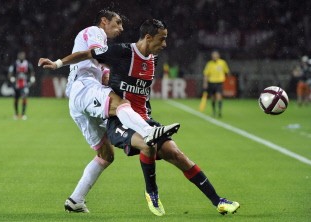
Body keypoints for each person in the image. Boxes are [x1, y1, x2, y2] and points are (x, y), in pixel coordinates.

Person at [39, 18, 240, 216]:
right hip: (118, 121)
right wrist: (57, 64)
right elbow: (86, 54)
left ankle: (218, 201)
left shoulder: (153, 59)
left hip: (141, 117)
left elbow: (139, 91)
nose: (165, 44)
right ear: (148, 37)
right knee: (147, 143)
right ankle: (152, 193)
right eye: (161, 39)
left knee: (177, 154)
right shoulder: (121, 51)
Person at [38, 10, 180, 214]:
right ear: (104, 21)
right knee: (120, 103)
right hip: (84, 87)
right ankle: (147, 131)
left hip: (79, 101)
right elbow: (92, 54)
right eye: (118, 22)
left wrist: (108, 76)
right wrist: (58, 63)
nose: (121, 28)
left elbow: (102, 69)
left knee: (105, 155)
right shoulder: (96, 31)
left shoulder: (100, 53)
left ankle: (75, 200)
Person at [8, 51, 36, 120]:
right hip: (16, 84)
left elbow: (32, 71)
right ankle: (16, 114)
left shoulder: (27, 63)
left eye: (22, 55)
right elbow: (10, 72)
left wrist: (32, 78)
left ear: (24, 56)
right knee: (16, 99)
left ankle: (23, 114)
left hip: (24, 85)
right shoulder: (15, 63)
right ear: (18, 56)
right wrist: (11, 78)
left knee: (24, 98)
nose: (21, 56)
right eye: (20, 55)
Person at [202, 51, 230, 117]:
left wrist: (226, 77)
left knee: (219, 96)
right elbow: (206, 74)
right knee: (213, 98)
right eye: (213, 56)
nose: (214, 57)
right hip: (211, 82)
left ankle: (219, 112)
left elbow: (227, 71)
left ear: (218, 56)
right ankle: (214, 111)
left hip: (219, 82)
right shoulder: (209, 64)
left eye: (215, 56)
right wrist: (205, 83)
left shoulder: (222, 63)